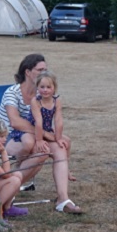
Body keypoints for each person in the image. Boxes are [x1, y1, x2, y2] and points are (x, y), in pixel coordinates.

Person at [0, 53, 77, 208]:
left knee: (60, 147)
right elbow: (15, 122)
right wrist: (46, 135)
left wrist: (54, 136)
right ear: (28, 72)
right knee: (41, 151)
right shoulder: (12, 92)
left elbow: (55, 118)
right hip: (9, 137)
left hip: (35, 135)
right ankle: (7, 189)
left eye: (45, 70)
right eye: (40, 70)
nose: (44, 73)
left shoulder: (44, 93)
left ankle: (63, 199)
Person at [30, 70, 83, 213]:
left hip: (48, 130)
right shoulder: (36, 101)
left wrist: (58, 137)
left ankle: (67, 171)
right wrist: (39, 140)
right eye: (42, 87)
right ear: (37, 87)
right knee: (62, 143)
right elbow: (38, 122)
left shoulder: (56, 100)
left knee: (66, 141)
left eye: (49, 87)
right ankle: (66, 172)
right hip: (35, 130)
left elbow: (58, 120)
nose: (45, 90)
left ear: (54, 88)